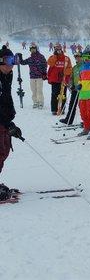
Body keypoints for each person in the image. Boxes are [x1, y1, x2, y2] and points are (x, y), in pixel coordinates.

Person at [0, 45, 23, 200]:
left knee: (4, 150)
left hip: (4, 119)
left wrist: (10, 118)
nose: (11, 64)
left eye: (13, 60)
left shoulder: (8, 75)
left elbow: (6, 98)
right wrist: (7, 123)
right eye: (9, 60)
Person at [18, 43, 47, 109]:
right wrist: (20, 57)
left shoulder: (41, 57)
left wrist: (44, 73)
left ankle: (40, 102)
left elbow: (45, 64)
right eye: (31, 49)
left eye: (34, 49)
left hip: (39, 76)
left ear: (36, 49)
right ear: (30, 50)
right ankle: (35, 102)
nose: (33, 50)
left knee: (39, 90)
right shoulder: (30, 59)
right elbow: (22, 62)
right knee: (33, 90)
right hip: (32, 77)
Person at [47, 43, 72, 115]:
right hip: (54, 79)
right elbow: (50, 63)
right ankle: (54, 109)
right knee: (54, 94)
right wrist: (55, 56)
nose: (58, 51)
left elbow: (70, 68)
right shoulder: (52, 57)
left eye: (59, 49)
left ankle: (62, 108)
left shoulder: (66, 58)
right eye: (56, 49)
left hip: (63, 79)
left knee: (63, 94)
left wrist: (64, 73)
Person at [59, 51, 83, 125]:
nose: (77, 58)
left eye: (79, 56)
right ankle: (68, 120)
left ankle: (88, 121)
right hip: (75, 89)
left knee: (84, 106)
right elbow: (71, 78)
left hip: (83, 89)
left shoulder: (84, 67)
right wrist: (71, 85)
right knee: (72, 105)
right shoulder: (75, 68)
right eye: (76, 57)